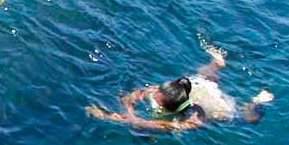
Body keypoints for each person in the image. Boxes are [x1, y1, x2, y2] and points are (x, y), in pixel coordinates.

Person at [88, 43, 273, 132]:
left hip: (218, 106)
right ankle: (218, 63)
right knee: (205, 75)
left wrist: (105, 115)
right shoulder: (167, 90)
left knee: (248, 118)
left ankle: (257, 100)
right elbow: (136, 95)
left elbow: (146, 124)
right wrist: (128, 104)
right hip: (199, 87)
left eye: (158, 100)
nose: (153, 95)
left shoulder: (194, 120)